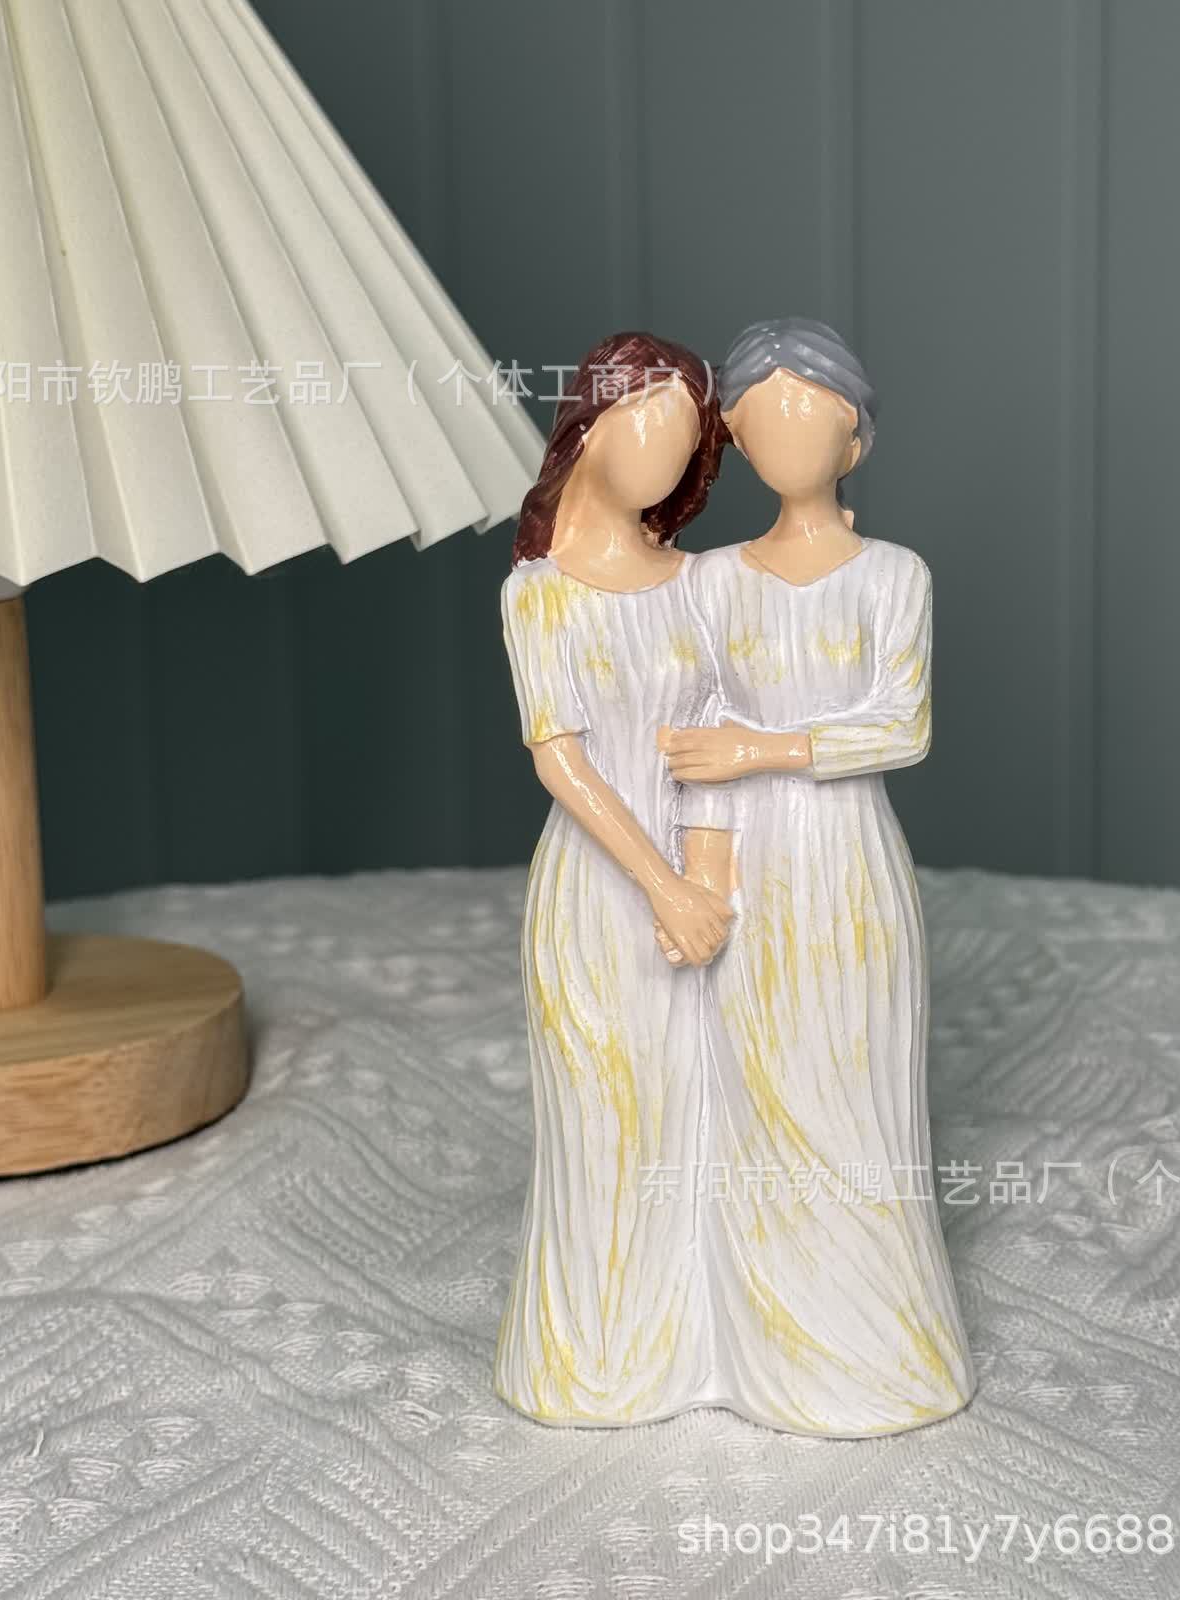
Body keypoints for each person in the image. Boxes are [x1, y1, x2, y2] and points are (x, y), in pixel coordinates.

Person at [663, 317, 976, 1435]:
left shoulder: (893, 576)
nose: (790, 435)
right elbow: (694, 737)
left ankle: (880, 1346)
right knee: (759, 1085)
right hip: (751, 867)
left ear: (856, 436)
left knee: (852, 1079)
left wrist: (766, 748)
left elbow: (901, 725)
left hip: (846, 864)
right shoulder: (709, 582)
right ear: (739, 439)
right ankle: (771, 1345)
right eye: (765, 418)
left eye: (813, 413)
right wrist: (700, 886)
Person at [495, 332, 733, 1425]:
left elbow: (723, 726)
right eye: (652, 424)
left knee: (690, 1113)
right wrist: (661, 885)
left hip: (700, 888)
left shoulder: (701, 583)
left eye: (687, 441)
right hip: (600, 891)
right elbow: (562, 760)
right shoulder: (538, 593)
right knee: (601, 1118)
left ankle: (684, 1342)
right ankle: (590, 1355)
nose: (666, 455)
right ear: (590, 422)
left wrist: (705, 883)